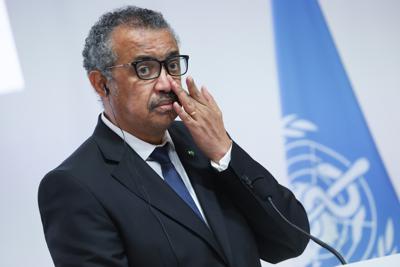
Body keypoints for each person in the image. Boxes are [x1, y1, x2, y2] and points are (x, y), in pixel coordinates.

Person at [38, 6, 309, 267]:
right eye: (145, 69)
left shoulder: (203, 141)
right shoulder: (73, 185)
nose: (167, 83)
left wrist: (224, 151)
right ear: (101, 83)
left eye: (172, 65)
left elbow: (291, 241)